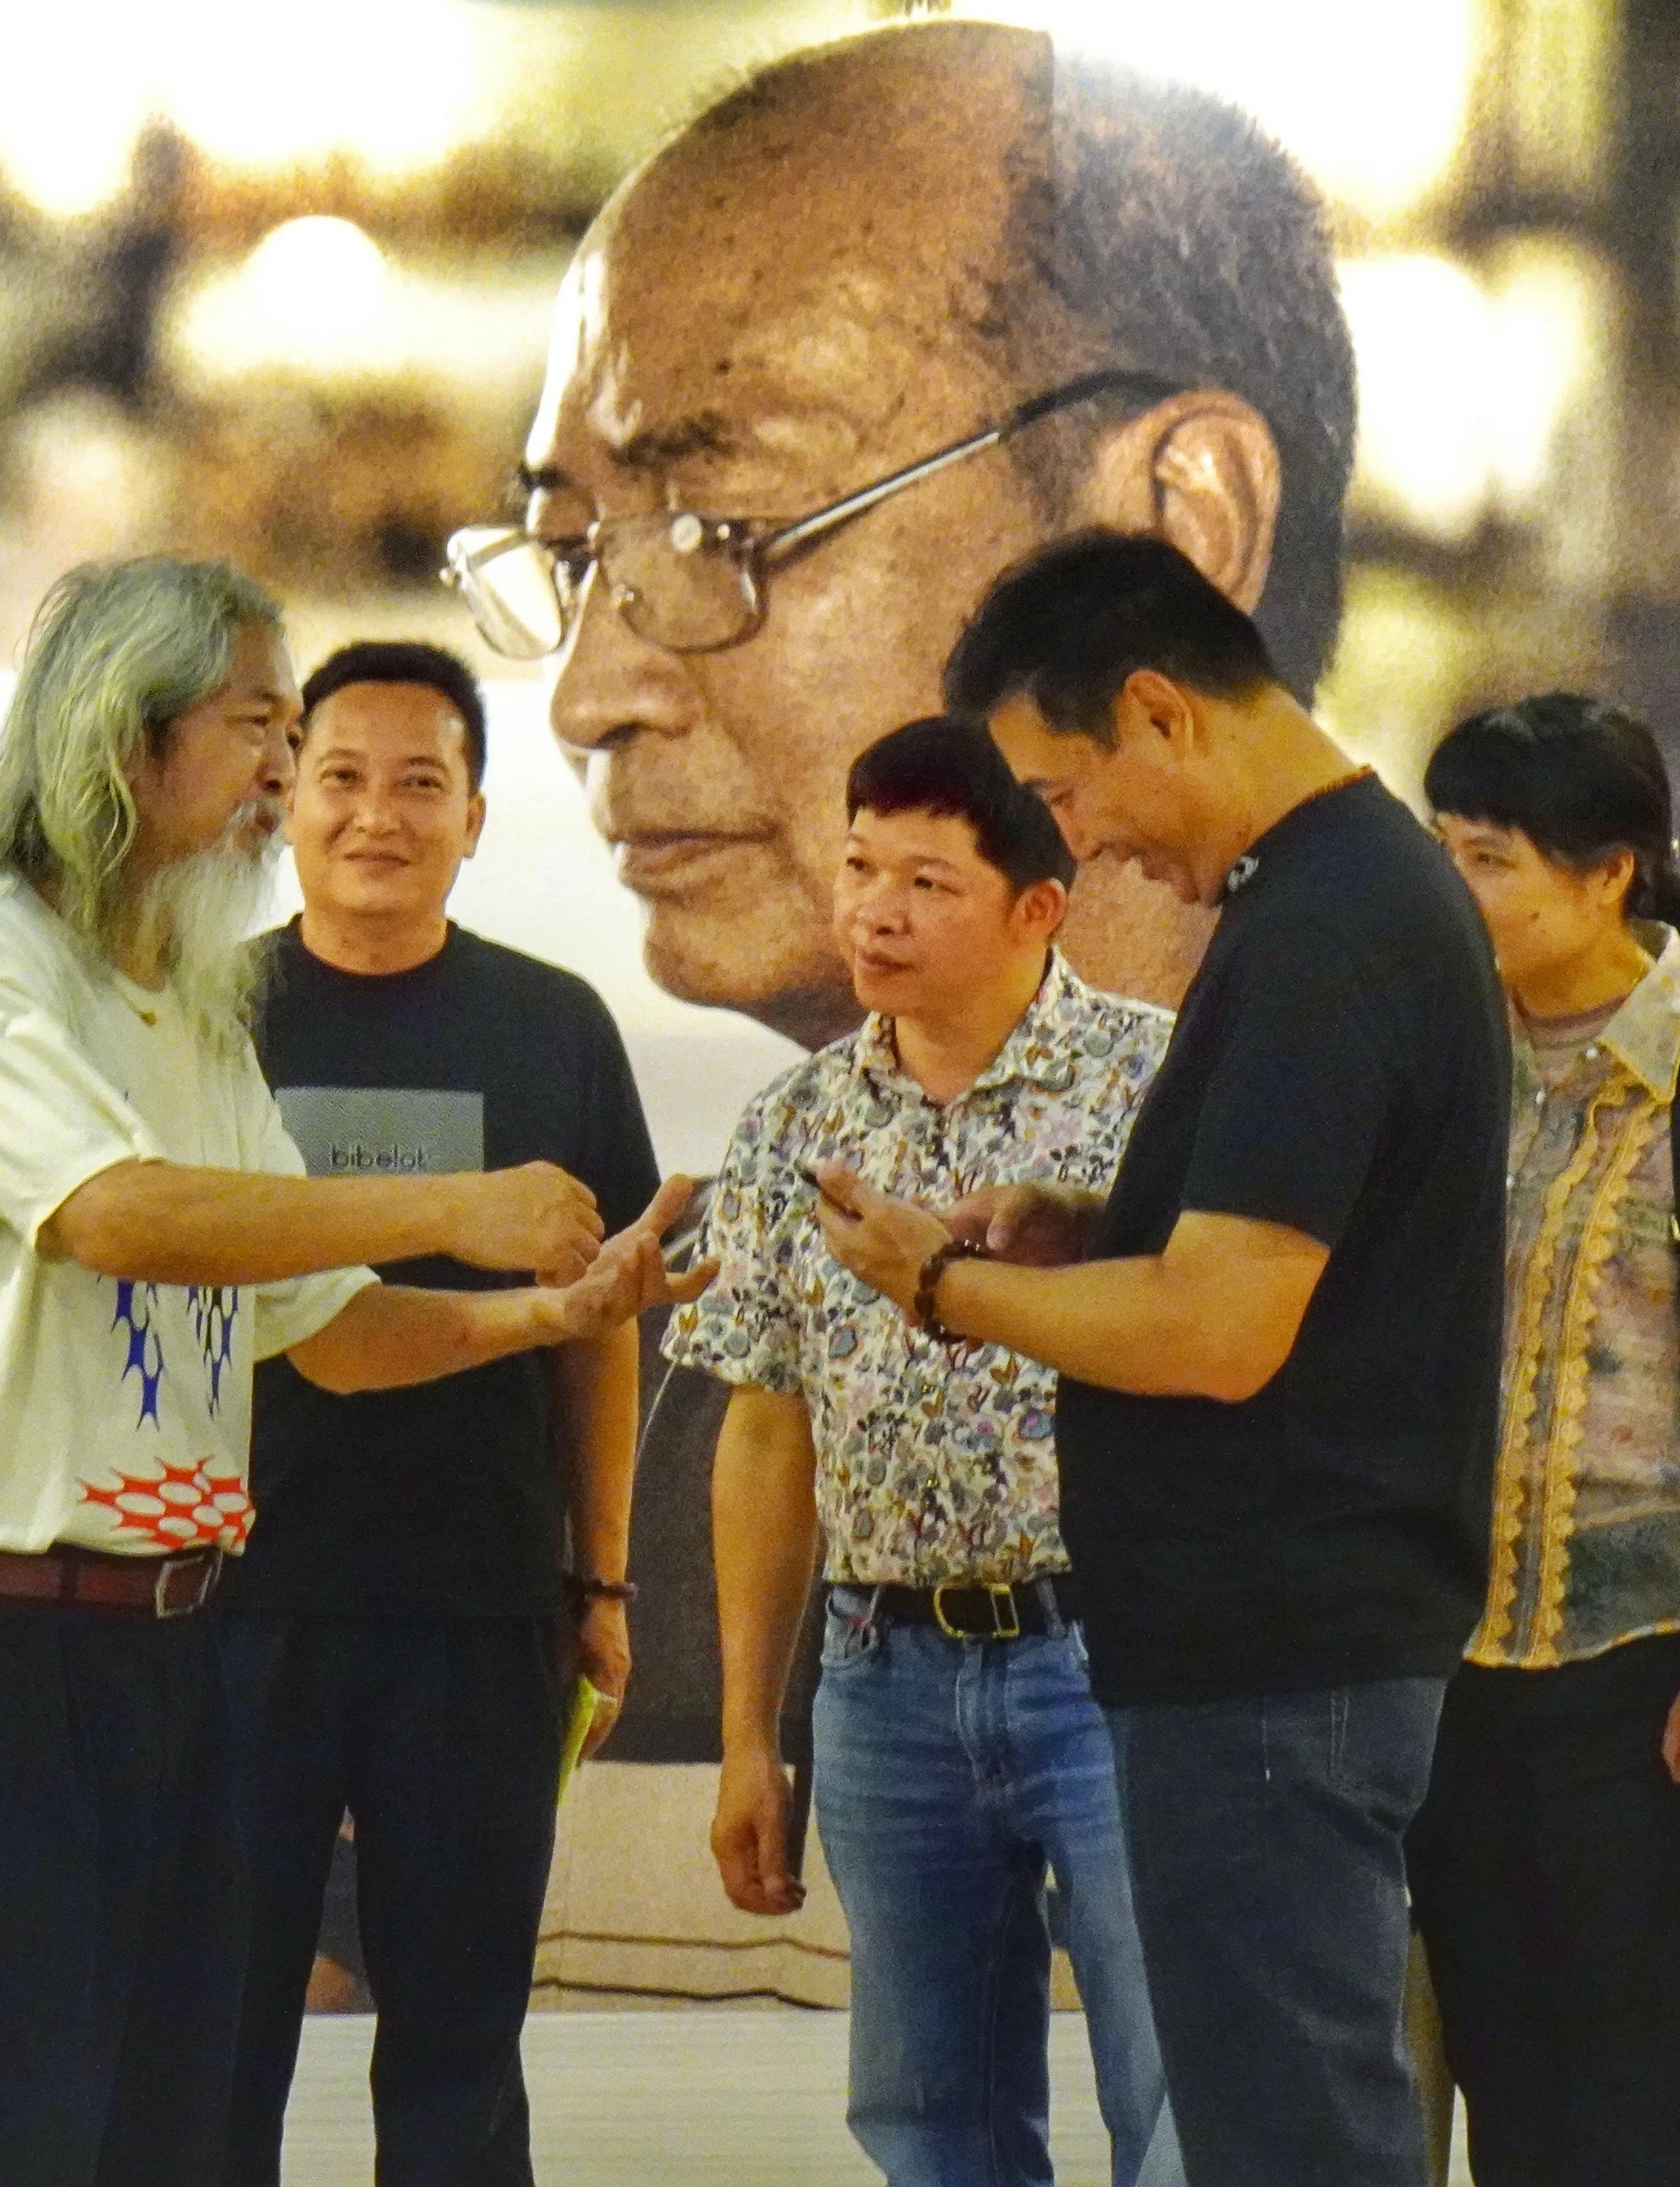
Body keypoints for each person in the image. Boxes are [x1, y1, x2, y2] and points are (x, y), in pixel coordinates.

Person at [441, 13, 1357, 1775]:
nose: (586, 693)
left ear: (1174, 530)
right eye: (573, 554)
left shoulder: (1488, 1218)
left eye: (718, 533)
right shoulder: (738, 1329)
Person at [0, 557, 705, 2187]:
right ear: (123, 737)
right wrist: (454, 1201)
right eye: (262, 730)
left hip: (188, 1648)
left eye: (299, 735)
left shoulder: (194, 1002)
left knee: (176, 2131)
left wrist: (548, 1314)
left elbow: (332, 1324)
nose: (288, 779)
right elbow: (120, 1215)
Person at [814, 532, 1510, 2185]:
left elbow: (1218, 1326)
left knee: (1291, 2135)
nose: (1093, 843)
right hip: (1270, 1645)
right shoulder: (1330, 900)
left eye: (1069, 794)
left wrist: (947, 1283)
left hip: (1280, 1658)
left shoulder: (1334, 922)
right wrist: (1074, 1226)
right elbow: (1273, 1250)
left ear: (1157, 712)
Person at [678, 717, 1179, 2187]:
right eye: (855, 868)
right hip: (882, 1669)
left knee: (1182, 2093)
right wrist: (746, 1734)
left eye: (925, 881)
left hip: (1117, 1656)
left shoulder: (1159, 1087)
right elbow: (764, 1424)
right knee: (927, 2119)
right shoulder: (796, 1118)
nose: (872, 912)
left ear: (1040, 905)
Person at [219, 640, 661, 2185]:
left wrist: (598, 1575)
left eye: (422, 783)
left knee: (461, 2052)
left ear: (476, 816)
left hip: (472, 1613)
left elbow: (600, 1331)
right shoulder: (207, 1018)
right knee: (210, 2043)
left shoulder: (554, 1027)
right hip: (224, 1608)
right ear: (283, 798)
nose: (376, 816)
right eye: (340, 777)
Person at [1408, 694, 1680, 2187]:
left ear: (1610, 870)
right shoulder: (1448, 1054)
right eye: (1441, 850)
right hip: (1450, 1657)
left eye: (1489, 857)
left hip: (1644, 1656)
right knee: (1500, 2072)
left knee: (1630, 2081)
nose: (1455, 891)